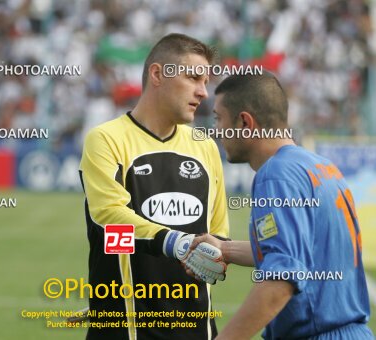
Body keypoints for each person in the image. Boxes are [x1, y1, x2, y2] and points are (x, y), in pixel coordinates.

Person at [190, 72, 374, 339]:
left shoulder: (276, 174)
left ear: (244, 122)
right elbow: (300, 252)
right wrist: (225, 249)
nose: (216, 131)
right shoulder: (320, 167)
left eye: (219, 119)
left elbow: (281, 279)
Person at [79, 33, 229, 340]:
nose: (204, 92)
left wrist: (216, 258)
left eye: (206, 82)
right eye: (193, 78)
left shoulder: (205, 146)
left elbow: (217, 235)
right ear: (158, 74)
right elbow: (108, 220)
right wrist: (175, 244)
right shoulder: (106, 139)